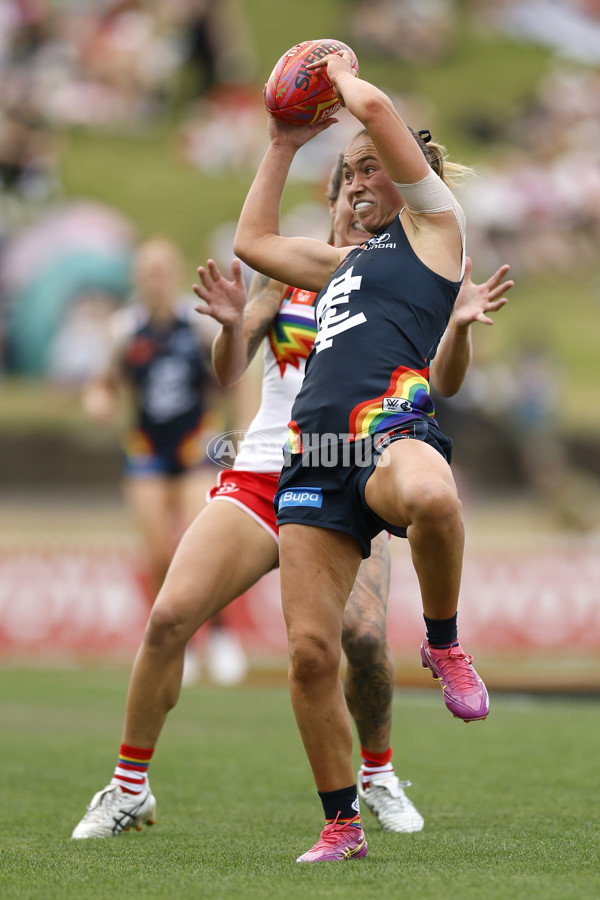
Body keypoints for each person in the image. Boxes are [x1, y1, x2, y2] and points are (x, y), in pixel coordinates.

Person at [71, 157, 511, 842]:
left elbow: (440, 382)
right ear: (329, 203)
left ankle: (379, 773)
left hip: (352, 472)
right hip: (263, 473)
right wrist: (233, 322)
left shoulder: (400, 277)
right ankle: (128, 787)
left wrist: (456, 327)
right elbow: (229, 371)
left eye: (368, 197)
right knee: (169, 616)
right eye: (346, 195)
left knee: (362, 639)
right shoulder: (288, 273)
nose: (355, 207)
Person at [232, 49, 492, 863]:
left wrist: (337, 73)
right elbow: (252, 239)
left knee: (435, 499)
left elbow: (377, 112)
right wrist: (281, 143)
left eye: (369, 168)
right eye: (345, 171)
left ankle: (444, 642)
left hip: (387, 431)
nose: (354, 180)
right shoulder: (341, 261)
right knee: (312, 653)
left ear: (410, 178)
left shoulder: (434, 230)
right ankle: (341, 824)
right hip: (315, 447)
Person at [81, 236, 247, 685]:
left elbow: (231, 375)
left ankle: (219, 632)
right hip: (147, 450)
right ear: (138, 278)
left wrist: (238, 430)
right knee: (157, 554)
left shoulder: (196, 325)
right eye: (147, 272)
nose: (155, 281)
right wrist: (98, 401)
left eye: (162, 271)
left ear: (175, 275)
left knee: (203, 545)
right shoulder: (124, 330)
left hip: (194, 447)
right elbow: (104, 383)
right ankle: (178, 641)